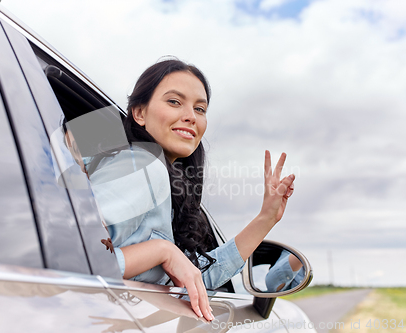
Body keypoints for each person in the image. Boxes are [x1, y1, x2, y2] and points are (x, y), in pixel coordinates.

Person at [66, 58, 295, 321]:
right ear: (139, 113)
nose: (190, 116)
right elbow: (76, 260)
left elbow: (191, 280)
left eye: (200, 108)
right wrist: (162, 250)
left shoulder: (161, 180)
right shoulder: (142, 166)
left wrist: (266, 218)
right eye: (174, 102)